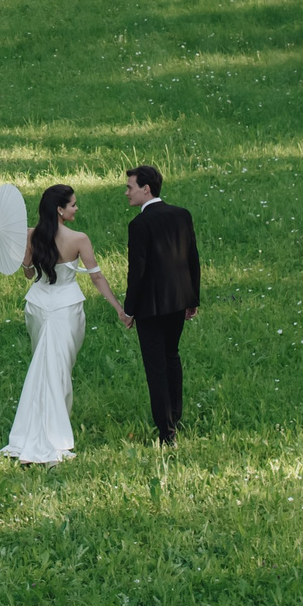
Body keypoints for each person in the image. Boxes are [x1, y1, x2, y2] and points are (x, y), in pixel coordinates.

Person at [1, 184, 127, 465]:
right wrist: (119, 308)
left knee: (44, 366)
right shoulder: (79, 239)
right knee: (57, 370)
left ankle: (38, 430)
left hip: (37, 304)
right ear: (60, 209)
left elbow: (29, 274)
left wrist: (24, 258)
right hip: (66, 307)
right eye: (73, 204)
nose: (76, 208)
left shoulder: (31, 235)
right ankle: (54, 436)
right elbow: (96, 277)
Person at [122, 165, 199, 444]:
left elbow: (137, 272)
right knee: (172, 356)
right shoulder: (182, 215)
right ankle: (175, 416)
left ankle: (167, 432)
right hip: (178, 301)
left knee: (156, 367)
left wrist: (129, 310)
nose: (126, 192)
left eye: (130, 187)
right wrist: (193, 298)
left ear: (146, 189)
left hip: (150, 308)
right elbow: (192, 258)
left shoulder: (139, 225)